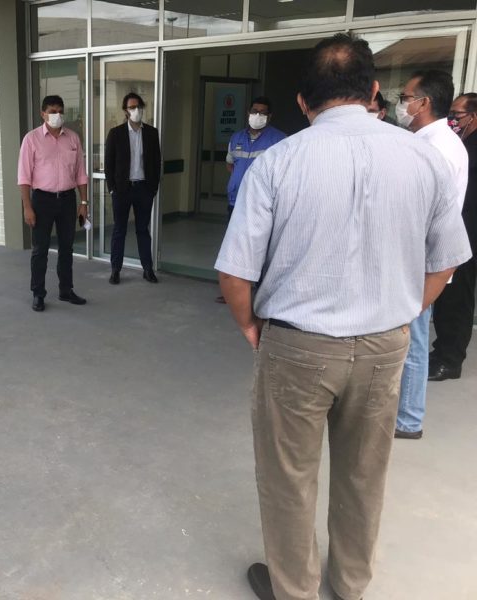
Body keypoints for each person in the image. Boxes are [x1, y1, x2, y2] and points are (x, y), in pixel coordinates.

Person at [214, 34, 470, 600]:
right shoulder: (424, 158)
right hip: (385, 345)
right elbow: (447, 260)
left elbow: (234, 274)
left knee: (289, 477)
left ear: (302, 101)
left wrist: (253, 330)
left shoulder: (277, 162)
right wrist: (405, 311)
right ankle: (350, 584)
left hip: (297, 347)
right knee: (364, 474)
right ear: (374, 91)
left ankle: (294, 589)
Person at [393, 70, 468, 440]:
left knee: (413, 337)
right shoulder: (436, 141)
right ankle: (405, 413)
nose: (401, 104)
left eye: (405, 97)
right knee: (411, 335)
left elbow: (422, 211)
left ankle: (408, 419)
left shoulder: (434, 147)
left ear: (422, 103)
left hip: (420, 261)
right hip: (422, 258)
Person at [18, 95, 89, 312]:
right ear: (43, 114)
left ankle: (66, 290)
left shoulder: (73, 139)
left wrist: (83, 202)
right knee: (40, 250)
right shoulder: (31, 139)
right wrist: (27, 207)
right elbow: (24, 176)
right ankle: (38, 294)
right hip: (42, 201)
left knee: (67, 247)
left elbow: (81, 174)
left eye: (60, 111)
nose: (57, 115)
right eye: (52, 111)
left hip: (67, 200)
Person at [217, 97, 286, 303]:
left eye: (263, 112)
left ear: (269, 116)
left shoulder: (279, 140)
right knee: (235, 249)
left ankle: (262, 294)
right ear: (248, 112)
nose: (258, 115)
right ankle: (234, 292)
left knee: (262, 249)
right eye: (255, 111)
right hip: (236, 201)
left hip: (262, 205)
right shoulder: (236, 137)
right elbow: (230, 164)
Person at [428, 93, 477, 381]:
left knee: (457, 299)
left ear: (473, 116)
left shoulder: (469, 148)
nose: (452, 119)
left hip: (467, 234)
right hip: (458, 230)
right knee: (448, 297)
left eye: (457, 114)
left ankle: (449, 359)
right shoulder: (461, 143)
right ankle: (443, 352)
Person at [104, 92, 162, 285]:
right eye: (132, 107)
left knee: (142, 230)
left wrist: (153, 188)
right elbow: (109, 164)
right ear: (125, 111)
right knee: (119, 230)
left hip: (144, 189)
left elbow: (156, 162)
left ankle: (147, 269)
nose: (136, 110)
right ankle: (115, 270)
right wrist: (112, 189)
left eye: (138, 106)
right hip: (122, 190)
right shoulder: (116, 133)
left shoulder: (151, 133)